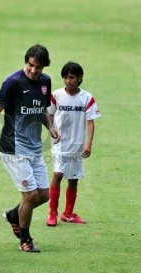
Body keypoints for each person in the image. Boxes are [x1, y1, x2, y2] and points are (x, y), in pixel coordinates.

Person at [0, 44, 59, 253]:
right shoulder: (13, 82)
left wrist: (51, 126)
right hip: (14, 148)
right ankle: (25, 240)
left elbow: (41, 109)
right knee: (30, 196)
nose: (33, 70)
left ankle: (13, 215)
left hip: (35, 148)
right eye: (30, 65)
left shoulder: (45, 82)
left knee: (44, 195)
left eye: (38, 67)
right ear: (26, 61)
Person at [46, 61, 101, 226]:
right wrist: (51, 129)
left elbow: (91, 122)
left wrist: (88, 143)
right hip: (60, 144)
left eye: (71, 77)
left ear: (79, 78)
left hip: (77, 145)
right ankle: (52, 213)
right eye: (65, 77)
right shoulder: (55, 95)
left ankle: (68, 213)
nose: (68, 81)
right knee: (57, 174)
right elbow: (48, 114)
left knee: (73, 179)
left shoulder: (87, 98)